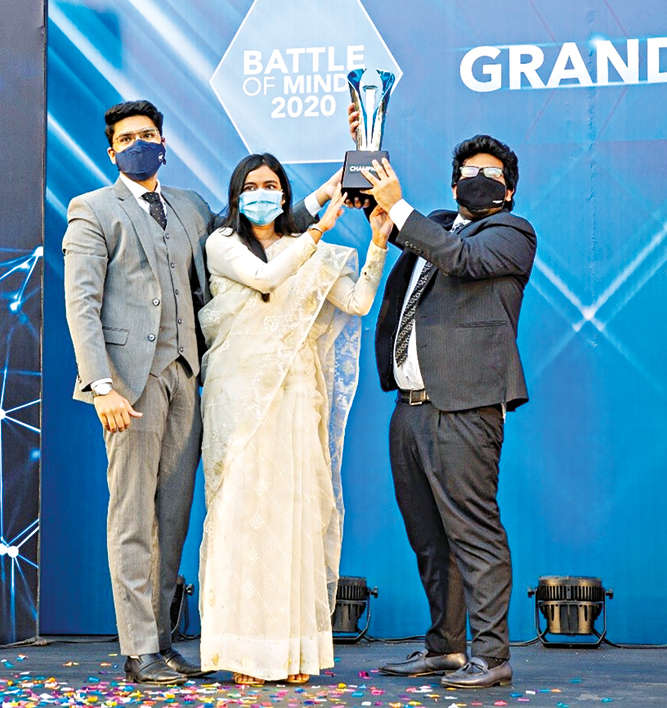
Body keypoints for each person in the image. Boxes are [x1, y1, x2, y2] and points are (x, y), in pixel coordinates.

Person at [62, 100, 344, 686]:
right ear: (111, 152)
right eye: (128, 138)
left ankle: (163, 642)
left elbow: (259, 223)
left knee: (173, 516)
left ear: (164, 144)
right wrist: (101, 385)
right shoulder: (92, 209)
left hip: (188, 378)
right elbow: (81, 303)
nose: (140, 144)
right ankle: (138, 648)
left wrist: (330, 189)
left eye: (149, 134)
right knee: (132, 514)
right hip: (129, 386)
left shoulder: (189, 206)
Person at [197, 153, 391, 685]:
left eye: (271, 185)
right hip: (239, 400)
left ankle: (293, 653)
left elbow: (357, 301)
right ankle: (242, 654)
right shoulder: (222, 244)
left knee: (294, 517)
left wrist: (377, 242)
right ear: (236, 196)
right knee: (239, 518)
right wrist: (320, 225)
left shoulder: (308, 250)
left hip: (297, 398)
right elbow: (264, 277)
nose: (261, 193)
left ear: (284, 194)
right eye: (251, 186)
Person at [359, 136, 537, 688]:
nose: (477, 179)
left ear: (508, 190)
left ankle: (493, 655)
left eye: (491, 173)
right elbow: (403, 228)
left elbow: (458, 258)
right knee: (429, 537)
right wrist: (365, 154)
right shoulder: (437, 224)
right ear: (453, 181)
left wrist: (399, 206)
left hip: (465, 406)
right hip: (409, 406)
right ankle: (447, 647)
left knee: (473, 532)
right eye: (468, 170)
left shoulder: (511, 233)